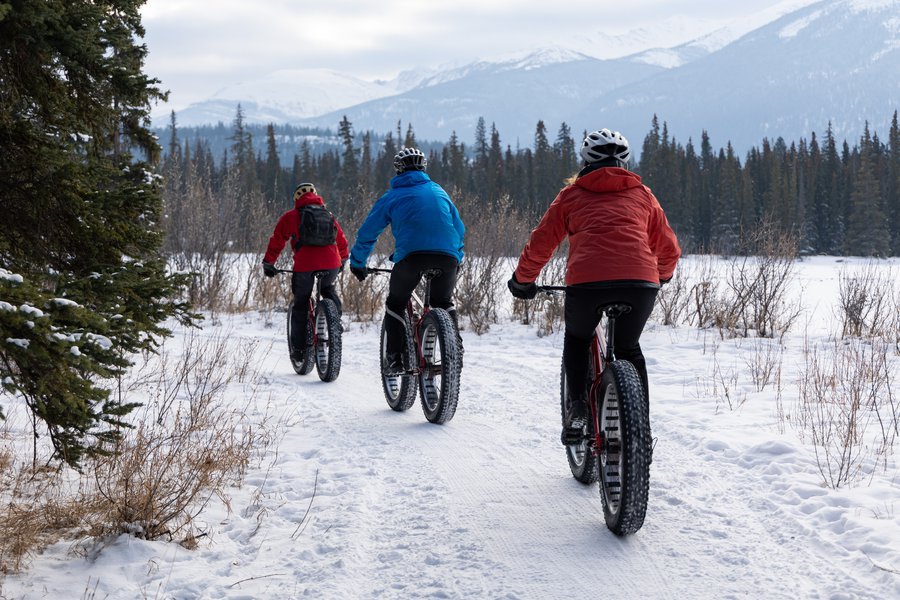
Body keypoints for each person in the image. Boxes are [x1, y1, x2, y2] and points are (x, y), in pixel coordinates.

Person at [507, 128, 681, 445]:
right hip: (640, 284)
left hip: (587, 284)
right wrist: (663, 275)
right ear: (625, 162)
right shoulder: (643, 195)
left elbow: (541, 244)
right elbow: (668, 247)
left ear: (586, 160)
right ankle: (640, 428)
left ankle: (577, 408)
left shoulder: (571, 196)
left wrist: (523, 281)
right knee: (629, 348)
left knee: (577, 338)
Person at [349, 147, 465, 374]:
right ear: (423, 168)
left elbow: (368, 233)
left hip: (411, 258)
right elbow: (459, 228)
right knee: (444, 301)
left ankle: (394, 359)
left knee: (396, 303)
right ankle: (454, 346)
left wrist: (358, 263)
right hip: (447, 256)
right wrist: (456, 257)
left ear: (399, 170)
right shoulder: (439, 191)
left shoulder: (392, 196)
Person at [262, 182, 349, 361]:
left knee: (300, 304)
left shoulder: (290, 216)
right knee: (327, 288)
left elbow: (277, 240)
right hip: (332, 263)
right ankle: (334, 321)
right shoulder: (329, 215)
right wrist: (343, 259)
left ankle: (299, 351)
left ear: (296, 199)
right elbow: (341, 240)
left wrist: (269, 263)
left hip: (305, 266)